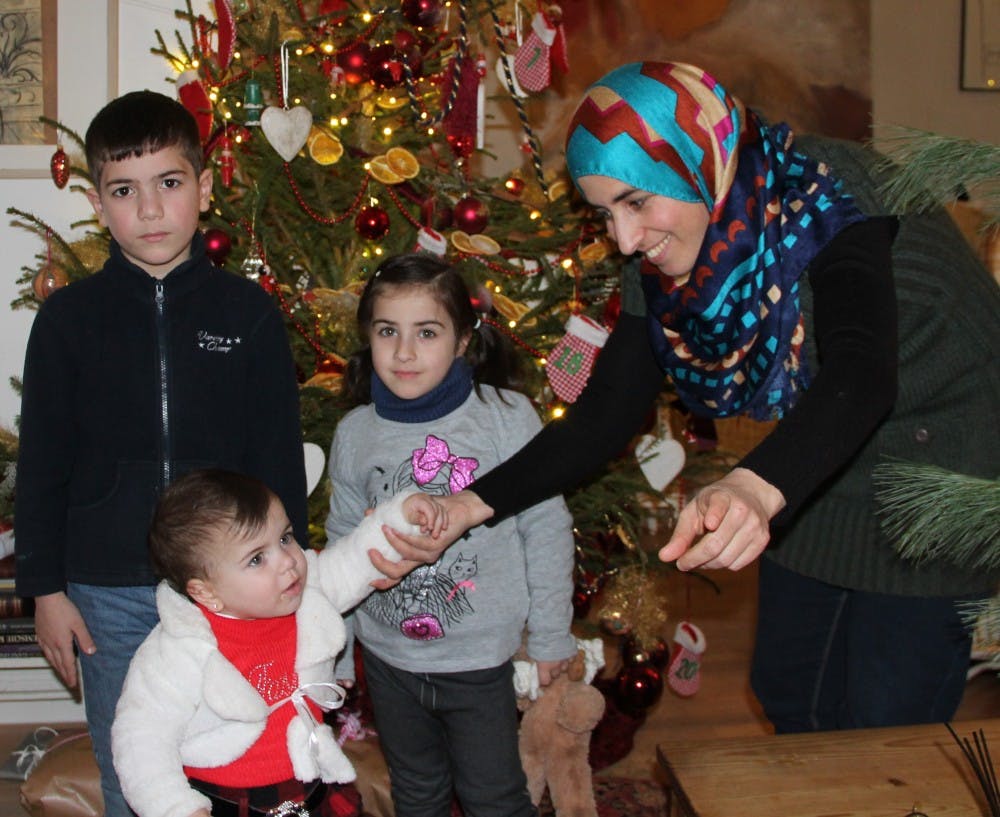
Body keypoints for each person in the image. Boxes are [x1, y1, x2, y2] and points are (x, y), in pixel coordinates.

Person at [424, 61, 1000, 732]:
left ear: (698, 161)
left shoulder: (829, 195)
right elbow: (607, 411)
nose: (625, 238)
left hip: (946, 447)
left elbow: (863, 371)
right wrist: (470, 503)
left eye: (636, 202)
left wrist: (756, 488)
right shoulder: (662, 259)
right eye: (605, 211)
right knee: (789, 690)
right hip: (824, 437)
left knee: (884, 717)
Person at [12, 90, 312, 817]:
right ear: (98, 202)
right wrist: (44, 590)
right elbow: (42, 464)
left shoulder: (247, 314)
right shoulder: (67, 321)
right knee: (135, 760)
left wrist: (292, 569)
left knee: (235, 755)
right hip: (107, 589)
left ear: (204, 189)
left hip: (226, 588)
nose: (149, 210)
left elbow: (276, 453)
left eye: (169, 184)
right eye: (125, 190)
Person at [325, 253, 577, 817]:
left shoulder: (507, 418)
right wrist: (337, 657)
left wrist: (551, 635)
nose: (405, 352)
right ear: (368, 337)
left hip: (480, 661)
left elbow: (546, 526)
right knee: (417, 792)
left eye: (428, 332)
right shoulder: (354, 432)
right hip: (388, 662)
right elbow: (340, 545)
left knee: (494, 797)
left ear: (464, 340)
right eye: (388, 331)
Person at [111, 468, 447, 817]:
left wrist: (402, 515)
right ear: (206, 592)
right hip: (226, 803)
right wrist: (177, 809)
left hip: (312, 787)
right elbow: (141, 740)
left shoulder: (308, 593)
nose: (288, 561)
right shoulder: (176, 652)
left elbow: (354, 560)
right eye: (257, 558)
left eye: (285, 538)